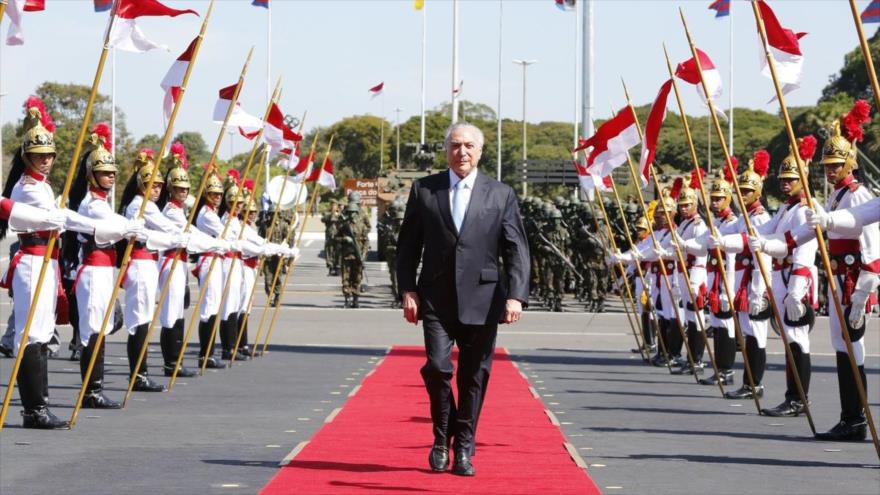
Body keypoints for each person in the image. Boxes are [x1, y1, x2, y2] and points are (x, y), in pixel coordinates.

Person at [396, 122, 530, 477]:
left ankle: (464, 449)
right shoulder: (425, 190)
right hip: (435, 299)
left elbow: (516, 249)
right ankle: (441, 439)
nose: (462, 152)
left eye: (469, 146)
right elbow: (408, 245)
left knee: (474, 377)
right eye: (456, 145)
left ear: (480, 151)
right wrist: (407, 289)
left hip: (484, 300)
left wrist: (516, 296)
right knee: (438, 368)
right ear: (446, 150)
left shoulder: (500, 194)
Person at [0, 99, 141, 428]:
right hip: (32, 260)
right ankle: (34, 409)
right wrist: (111, 227)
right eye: (39, 155)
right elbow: (58, 218)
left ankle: (41, 405)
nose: (46, 160)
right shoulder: (27, 188)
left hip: (46, 263)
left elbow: (62, 217)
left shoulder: (44, 187)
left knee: (43, 332)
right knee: (31, 334)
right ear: (26, 157)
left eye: (49, 155)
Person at [709, 151, 773, 400]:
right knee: (748, 333)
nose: (742, 195)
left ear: (757, 192)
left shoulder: (761, 217)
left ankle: (755, 383)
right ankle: (749, 383)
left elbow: (761, 256)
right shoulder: (744, 218)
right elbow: (730, 235)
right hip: (743, 281)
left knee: (757, 335)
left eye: (747, 191)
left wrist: (758, 289)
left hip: (755, 283)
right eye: (740, 191)